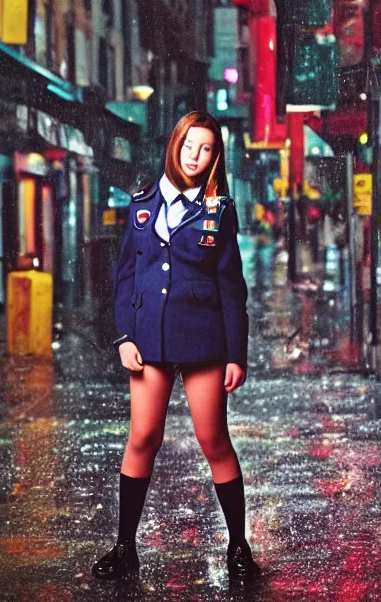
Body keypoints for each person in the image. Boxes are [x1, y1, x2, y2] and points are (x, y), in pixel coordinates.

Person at [92, 111, 260, 582]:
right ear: (175, 144)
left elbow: (232, 286)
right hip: (148, 336)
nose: (196, 155)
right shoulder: (142, 202)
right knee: (142, 437)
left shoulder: (219, 210)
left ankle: (238, 546)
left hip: (203, 338)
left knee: (214, 441)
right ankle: (125, 547)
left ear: (214, 157)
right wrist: (124, 335)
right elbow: (126, 275)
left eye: (206, 149)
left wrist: (236, 354)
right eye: (190, 145)